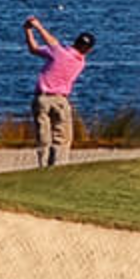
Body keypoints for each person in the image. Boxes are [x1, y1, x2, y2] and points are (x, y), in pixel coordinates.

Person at [24, 16, 95, 167]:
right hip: (60, 101)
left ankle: (43, 165)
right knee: (61, 137)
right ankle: (57, 166)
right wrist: (33, 29)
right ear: (88, 50)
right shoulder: (80, 61)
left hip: (41, 98)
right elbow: (44, 47)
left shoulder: (60, 53)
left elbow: (37, 48)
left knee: (43, 135)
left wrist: (33, 28)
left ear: (75, 42)